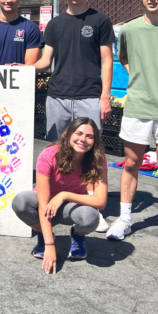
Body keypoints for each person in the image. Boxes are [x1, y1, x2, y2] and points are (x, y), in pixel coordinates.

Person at [32, 0, 115, 233]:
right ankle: (52, 201)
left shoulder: (100, 20)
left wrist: (105, 97)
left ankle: (91, 208)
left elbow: (107, 60)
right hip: (57, 95)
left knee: (90, 153)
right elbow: (46, 60)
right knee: (57, 150)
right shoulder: (55, 24)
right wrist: (23, 68)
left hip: (89, 95)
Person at [107, 0, 158, 245]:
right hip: (137, 106)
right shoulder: (130, 30)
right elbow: (123, 57)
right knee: (132, 163)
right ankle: (124, 219)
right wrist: (139, 78)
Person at [12, 117, 108, 274]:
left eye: (89, 136)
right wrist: (50, 245)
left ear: (95, 141)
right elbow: (43, 203)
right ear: (69, 134)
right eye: (79, 133)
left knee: (90, 217)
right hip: (45, 203)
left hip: (71, 206)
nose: (83, 139)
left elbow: (101, 201)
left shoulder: (98, 158)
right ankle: (44, 235)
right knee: (21, 202)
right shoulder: (49, 154)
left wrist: (64, 195)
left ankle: (78, 235)